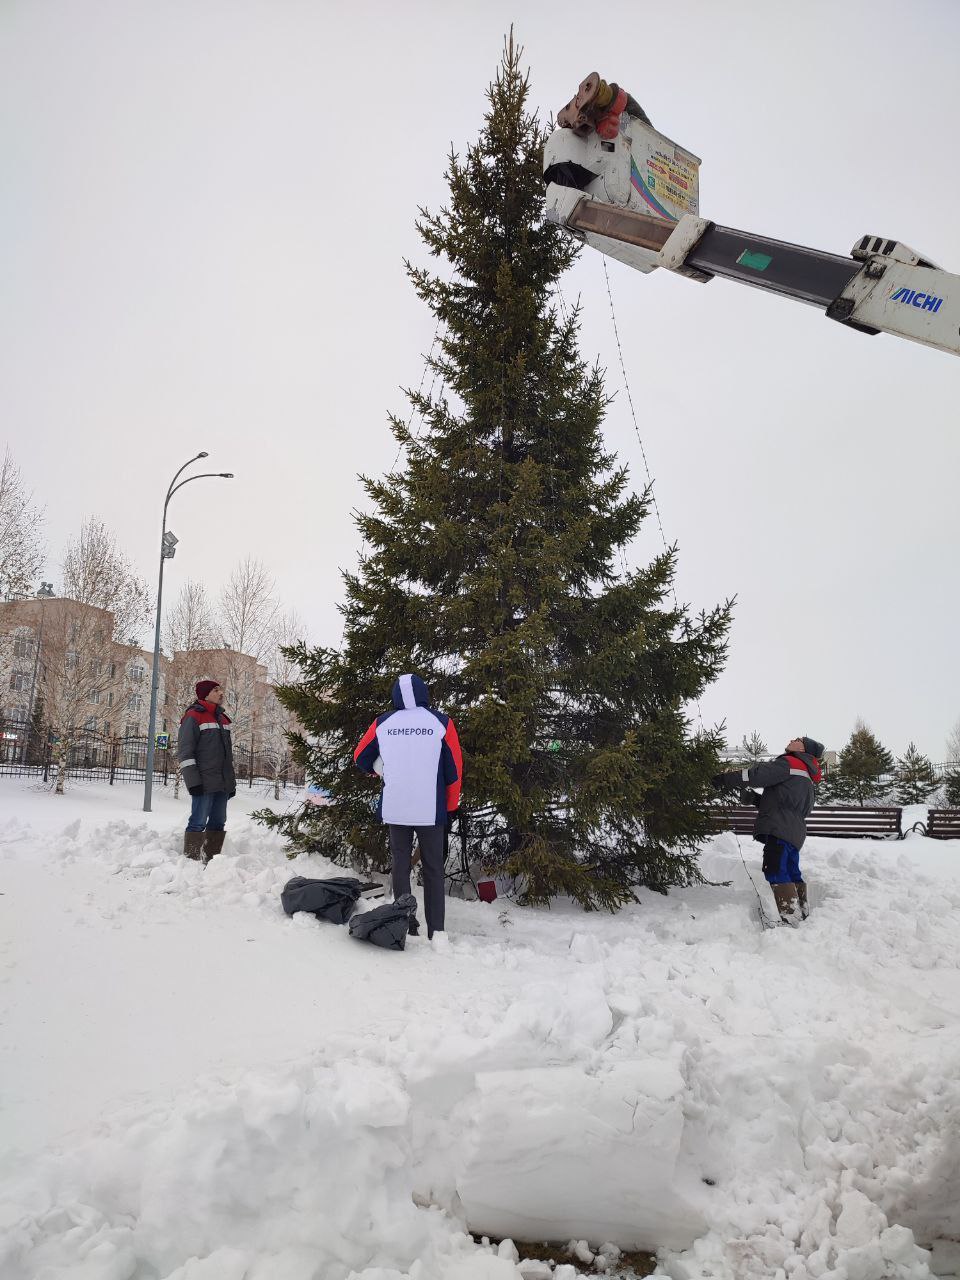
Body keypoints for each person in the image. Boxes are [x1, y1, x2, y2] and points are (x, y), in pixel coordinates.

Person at [354, 673, 462, 950]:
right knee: (434, 869)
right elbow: (454, 771)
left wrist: (378, 770)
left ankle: (405, 923)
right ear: (424, 693)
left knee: (400, 865)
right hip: (430, 809)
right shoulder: (441, 723)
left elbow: (360, 756)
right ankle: (436, 931)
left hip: (396, 807)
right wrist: (449, 805)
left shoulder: (383, 723)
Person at [712, 736, 824, 923]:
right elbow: (787, 804)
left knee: (775, 869)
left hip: (779, 829)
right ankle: (802, 914)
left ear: (803, 749)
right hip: (794, 833)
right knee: (791, 871)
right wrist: (755, 800)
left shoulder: (789, 763)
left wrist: (725, 779)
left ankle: (791, 919)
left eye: (797, 739)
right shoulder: (806, 775)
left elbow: (756, 775)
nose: (791, 739)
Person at [178, 679, 236, 863]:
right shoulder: (193, 716)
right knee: (198, 822)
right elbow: (185, 752)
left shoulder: (222, 719)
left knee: (219, 822)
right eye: (216, 690)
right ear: (205, 694)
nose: (221, 693)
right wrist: (193, 782)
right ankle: (190, 862)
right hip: (203, 782)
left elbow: (227, 756)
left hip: (222, 783)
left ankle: (211, 862)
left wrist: (230, 783)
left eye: (221, 689)